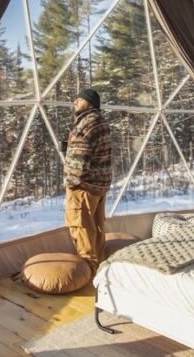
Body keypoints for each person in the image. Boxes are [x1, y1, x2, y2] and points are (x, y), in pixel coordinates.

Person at [63, 88, 111, 273]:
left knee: (81, 227)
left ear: (90, 103)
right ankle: (100, 267)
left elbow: (81, 158)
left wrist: (71, 180)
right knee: (96, 227)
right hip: (99, 184)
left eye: (80, 99)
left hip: (84, 186)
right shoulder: (101, 122)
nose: (75, 101)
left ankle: (89, 271)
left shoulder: (86, 124)